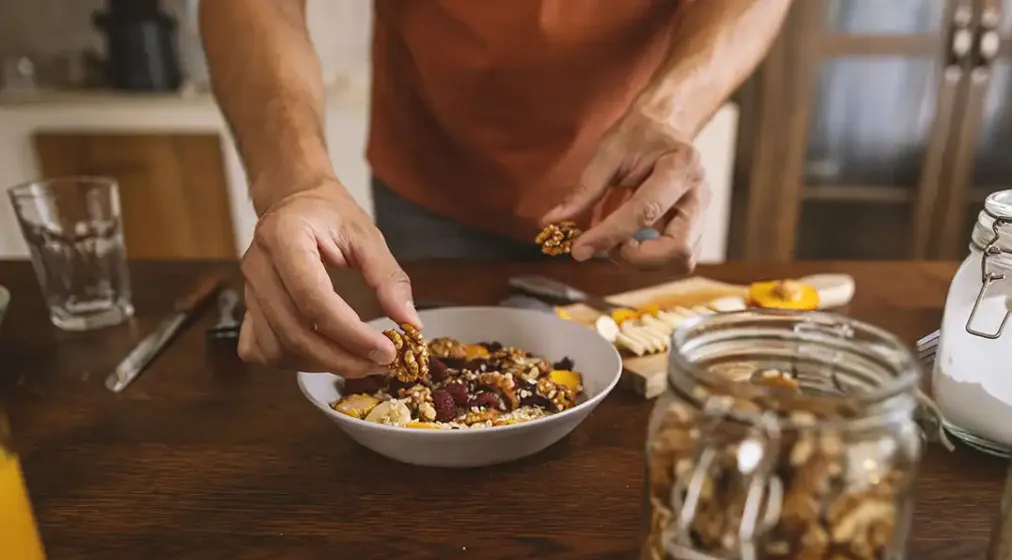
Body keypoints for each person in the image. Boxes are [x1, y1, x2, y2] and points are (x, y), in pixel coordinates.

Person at [199, 0, 791, 378]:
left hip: (630, 183)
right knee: (418, 385)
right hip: (431, 176)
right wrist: (296, 181)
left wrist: (671, 113)